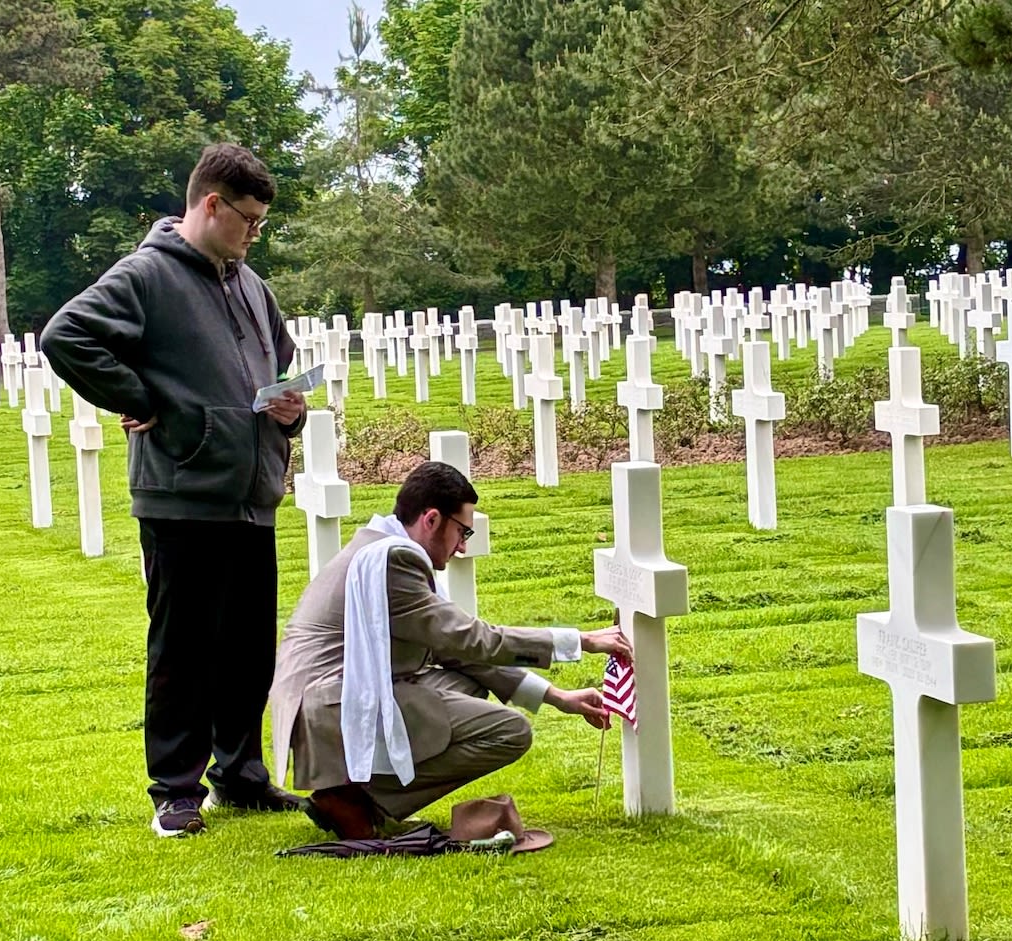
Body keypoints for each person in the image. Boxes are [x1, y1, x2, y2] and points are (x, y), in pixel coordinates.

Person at [41, 143, 307, 837]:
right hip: (182, 491)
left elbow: (279, 366)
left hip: (251, 491)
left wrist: (291, 412)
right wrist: (141, 396)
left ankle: (241, 774)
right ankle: (175, 792)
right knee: (185, 648)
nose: (255, 233)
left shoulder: (250, 284)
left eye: (261, 224)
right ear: (210, 204)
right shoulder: (147, 275)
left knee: (249, 650)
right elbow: (66, 336)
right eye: (247, 219)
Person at [268, 461, 634, 839]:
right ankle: (349, 799)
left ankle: (357, 798)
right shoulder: (394, 561)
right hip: (327, 706)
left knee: (467, 684)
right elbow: (474, 639)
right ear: (431, 519)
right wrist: (581, 641)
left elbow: (456, 652)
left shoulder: (385, 546)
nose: (462, 546)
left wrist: (557, 697)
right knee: (509, 732)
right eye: (463, 531)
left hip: (330, 695)